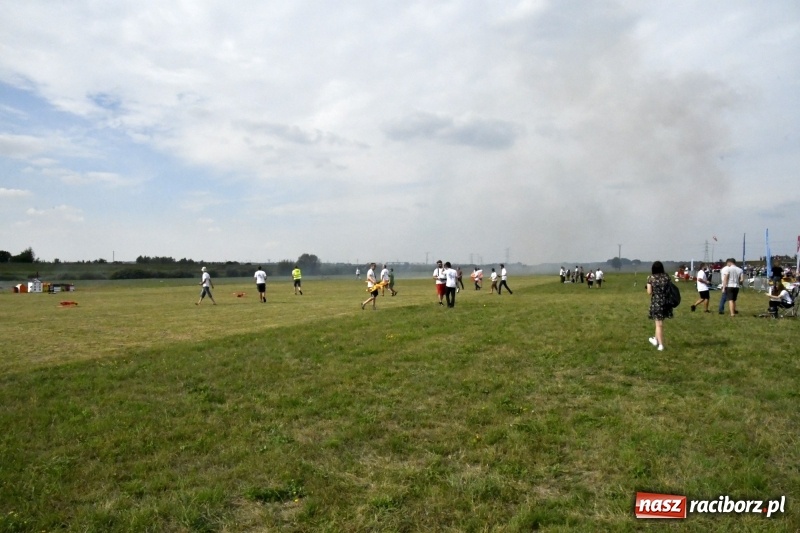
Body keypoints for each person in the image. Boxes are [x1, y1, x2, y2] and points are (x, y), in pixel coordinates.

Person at [646, 261, 672, 351]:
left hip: (656, 302)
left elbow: (649, 292)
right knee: (659, 323)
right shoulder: (666, 277)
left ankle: (661, 345)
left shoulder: (651, 278)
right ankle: (655, 339)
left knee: (658, 324)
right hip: (666, 302)